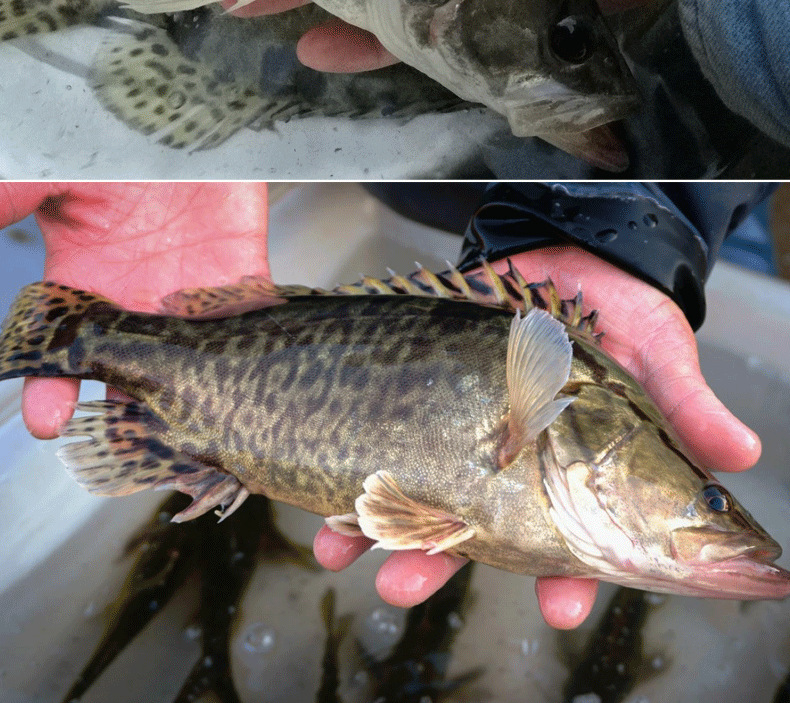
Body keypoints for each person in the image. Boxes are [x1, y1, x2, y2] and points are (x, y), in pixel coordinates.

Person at [0, 182, 763, 630]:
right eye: (710, 497)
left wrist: (629, 224)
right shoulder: (558, 396)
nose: (714, 515)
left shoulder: (582, 411)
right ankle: (66, 331)